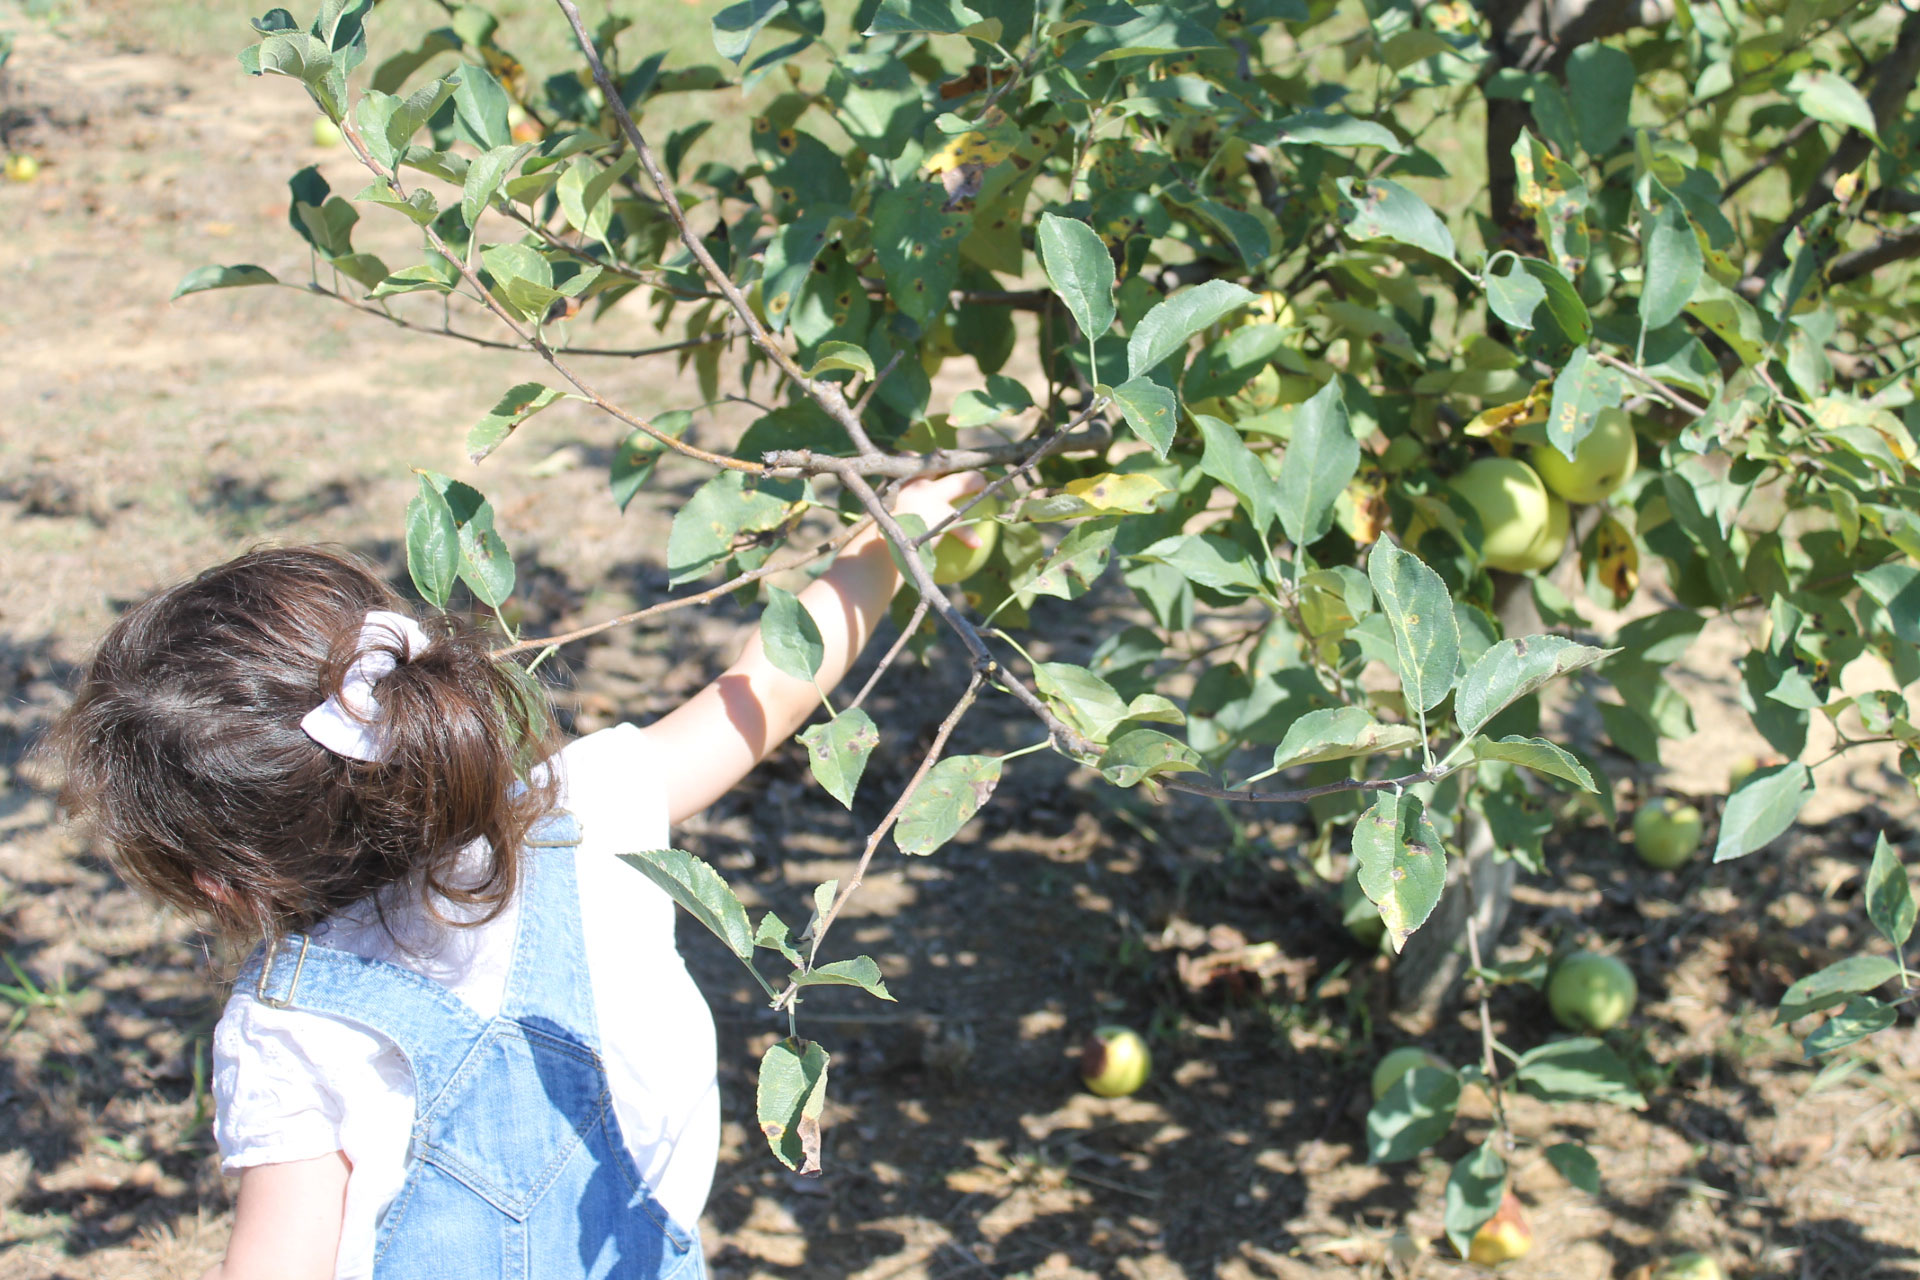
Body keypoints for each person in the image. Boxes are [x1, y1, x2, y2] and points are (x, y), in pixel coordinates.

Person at [45, 473, 982, 1280]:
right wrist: (889, 536)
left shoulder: (287, 1025)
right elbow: (769, 688)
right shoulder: (587, 811)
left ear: (223, 885)